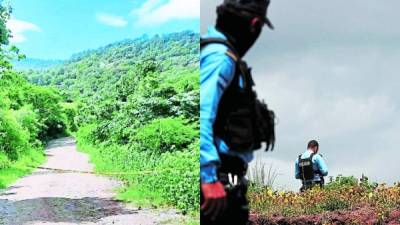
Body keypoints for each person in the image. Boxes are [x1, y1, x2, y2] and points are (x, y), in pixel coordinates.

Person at [200, 0, 275, 224]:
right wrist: (208, 176)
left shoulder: (219, 53)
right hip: (217, 182)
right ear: (254, 24)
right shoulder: (220, 58)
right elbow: (201, 115)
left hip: (226, 177)